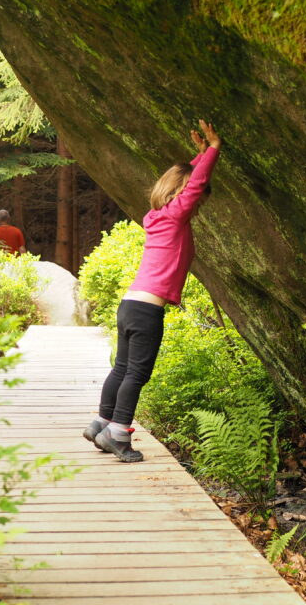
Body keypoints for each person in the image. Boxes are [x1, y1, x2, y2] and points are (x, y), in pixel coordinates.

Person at [83, 119, 222, 462]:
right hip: (147, 311)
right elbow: (192, 185)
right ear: (183, 195)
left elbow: (186, 181)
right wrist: (214, 150)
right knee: (136, 373)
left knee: (121, 368)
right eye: (197, 200)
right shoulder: (175, 216)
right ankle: (117, 435)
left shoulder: (156, 215)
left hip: (130, 303)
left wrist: (198, 156)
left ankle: (100, 423)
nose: (198, 205)